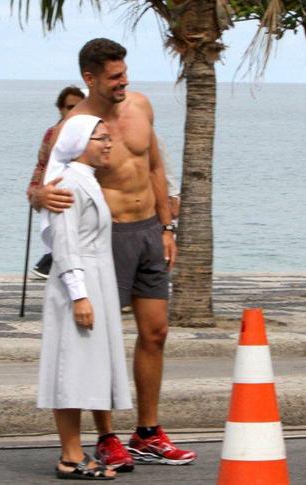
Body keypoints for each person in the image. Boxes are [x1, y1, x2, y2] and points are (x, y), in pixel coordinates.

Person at [30, 38, 196, 470]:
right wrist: (40, 195)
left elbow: (156, 166)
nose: (124, 82)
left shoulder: (140, 106)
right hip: (106, 240)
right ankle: (106, 436)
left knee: (156, 332)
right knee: (99, 340)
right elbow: (39, 185)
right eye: (114, 77)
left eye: (125, 73)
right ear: (90, 78)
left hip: (148, 233)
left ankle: (147, 432)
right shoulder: (73, 127)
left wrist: (166, 226)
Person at [37, 114, 131, 480]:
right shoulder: (67, 183)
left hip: (96, 278)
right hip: (79, 282)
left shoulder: (85, 180)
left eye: (108, 138)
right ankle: (71, 456)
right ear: (78, 143)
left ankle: (75, 453)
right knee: (70, 370)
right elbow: (65, 244)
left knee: (82, 369)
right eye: (99, 139)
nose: (107, 144)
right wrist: (79, 296)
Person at [27, 86, 86, 279]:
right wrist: (34, 189)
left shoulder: (91, 134)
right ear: (60, 108)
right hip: (58, 193)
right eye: (69, 107)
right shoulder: (52, 134)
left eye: (79, 107)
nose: (73, 112)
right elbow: (42, 164)